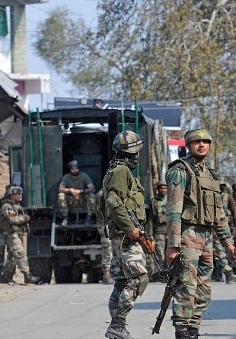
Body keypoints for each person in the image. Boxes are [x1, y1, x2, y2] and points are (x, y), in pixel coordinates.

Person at [165, 128, 236, 339]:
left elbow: (219, 213)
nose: (202, 145)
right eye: (197, 142)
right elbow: (174, 210)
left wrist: (228, 242)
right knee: (186, 285)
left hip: (206, 238)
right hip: (187, 235)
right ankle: (182, 329)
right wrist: (173, 244)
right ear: (189, 145)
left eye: (205, 141)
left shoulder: (211, 174)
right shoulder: (180, 170)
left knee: (204, 287)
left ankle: (194, 327)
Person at [102, 130, 149, 339]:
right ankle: (117, 325)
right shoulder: (121, 171)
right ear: (132, 153)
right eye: (136, 152)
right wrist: (131, 229)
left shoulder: (119, 171)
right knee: (139, 278)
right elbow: (114, 202)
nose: (138, 156)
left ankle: (117, 328)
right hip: (125, 236)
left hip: (122, 235)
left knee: (122, 281)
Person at [0, 185, 42, 285]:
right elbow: (12, 219)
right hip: (11, 234)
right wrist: (25, 218)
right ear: (11, 195)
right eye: (17, 194)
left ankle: (6, 276)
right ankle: (27, 275)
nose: (20, 195)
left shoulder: (17, 206)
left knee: (12, 256)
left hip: (18, 233)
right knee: (20, 253)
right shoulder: (7, 206)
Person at [58, 160, 96, 227]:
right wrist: (70, 190)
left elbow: (92, 188)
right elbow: (60, 188)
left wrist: (80, 191)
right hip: (71, 200)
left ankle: (88, 218)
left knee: (92, 195)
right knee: (61, 195)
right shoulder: (66, 177)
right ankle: (65, 218)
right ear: (70, 170)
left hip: (82, 200)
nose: (75, 170)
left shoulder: (84, 176)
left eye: (76, 169)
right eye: (73, 169)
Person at [0, 183, 15, 280]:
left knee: (12, 254)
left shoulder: (16, 203)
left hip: (11, 233)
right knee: (0, 254)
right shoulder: (0, 203)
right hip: (1, 232)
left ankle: (9, 275)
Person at [95, 187, 114, 285]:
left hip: (116, 223)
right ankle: (107, 274)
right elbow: (101, 212)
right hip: (105, 224)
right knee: (107, 248)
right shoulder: (101, 194)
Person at [151, 181, 168, 277]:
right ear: (158, 190)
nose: (163, 190)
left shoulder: (171, 200)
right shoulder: (154, 202)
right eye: (161, 188)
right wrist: (150, 234)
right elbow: (150, 219)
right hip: (159, 231)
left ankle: (170, 272)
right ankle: (162, 273)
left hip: (170, 231)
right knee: (160, 253)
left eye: (165, 188)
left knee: (170, 253)